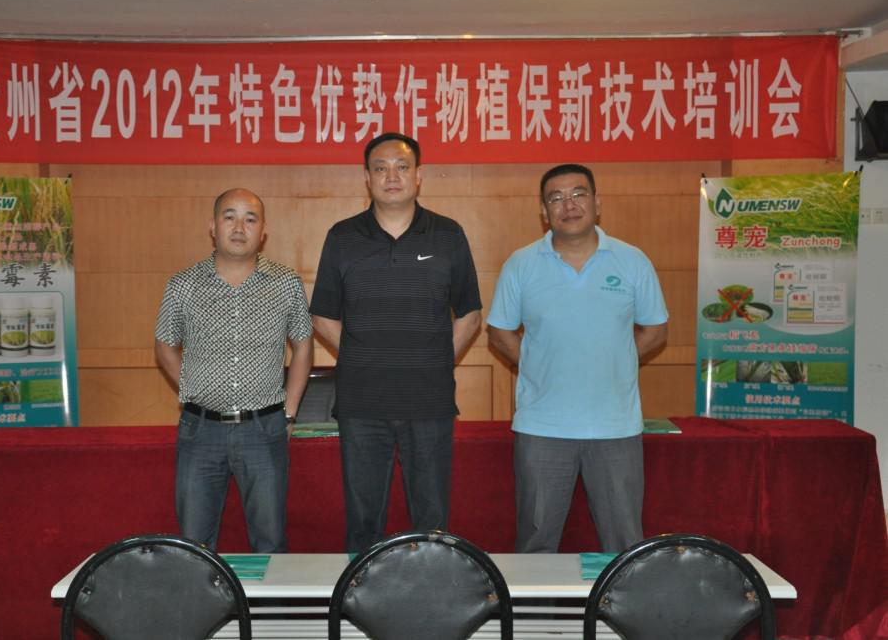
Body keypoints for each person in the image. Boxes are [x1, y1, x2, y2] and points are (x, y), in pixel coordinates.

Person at [310, 132, 482, 552]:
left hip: (429, 402)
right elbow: (322, 315)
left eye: (402, 167)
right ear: (367, 178)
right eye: (381, 168)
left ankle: (432, 592)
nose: (392, 176)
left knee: (432, 523)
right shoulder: (342, 236)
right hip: (362, 403)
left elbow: (470, 313)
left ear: (418, 176)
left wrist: (437, 360)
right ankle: (358, 594)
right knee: (363, 524)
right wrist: (361, 356)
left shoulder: (448, 234)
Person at [487, 164, 668, 553]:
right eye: (556, 198)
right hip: (542, 427)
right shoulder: (521, 264)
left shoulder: (632, 260)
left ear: (597, 202)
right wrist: (536, 364)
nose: (568, 205)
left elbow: (655, 330)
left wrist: (615, 360)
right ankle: (534, 600)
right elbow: (499, 332)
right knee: (536, 545)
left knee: (624, 545)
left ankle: (620, 600)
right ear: (544, 211)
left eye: (578, 194)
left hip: (615, 427)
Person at [154, 188, 313, 552]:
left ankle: (269, 598)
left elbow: (304, 345)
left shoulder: (286, 283)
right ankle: (205, 595)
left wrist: (289, 413)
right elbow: (164, 344)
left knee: (270, 542)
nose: (239, 227)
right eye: (230, 217)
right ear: (213, 226)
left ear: (263, 231)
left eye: (250, 219)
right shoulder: (183, 284)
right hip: (200, 430)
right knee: (195, 543)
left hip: (264, 428)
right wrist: (193, 390)